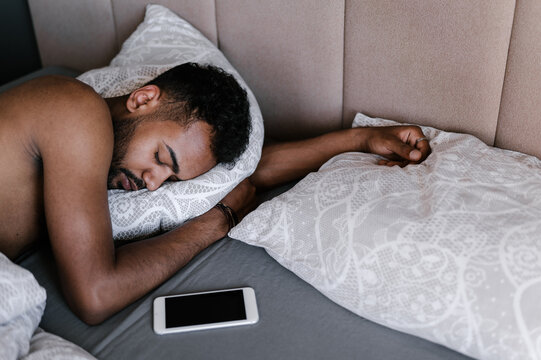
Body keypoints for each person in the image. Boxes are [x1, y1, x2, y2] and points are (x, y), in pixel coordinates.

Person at [0, 62, 430, 325]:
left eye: (171, 177)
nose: (152, 182)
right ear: (143, 98)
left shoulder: (99, 143)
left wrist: (357, 139)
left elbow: (242, 176)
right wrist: (218, 220)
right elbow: (96, 296)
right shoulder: (76, 111)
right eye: (161, 157)